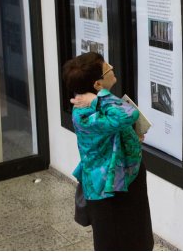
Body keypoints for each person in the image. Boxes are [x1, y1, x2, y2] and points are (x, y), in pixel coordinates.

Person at [62, 52, 154, 251]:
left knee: (137, 237)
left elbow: (115, 127)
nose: (111, 66)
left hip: (126, 178)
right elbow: (128, 114)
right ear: (97, 85)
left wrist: (131, 137)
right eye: (107, 68)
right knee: (114, 241)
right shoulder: (84, 113)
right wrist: (97, 100)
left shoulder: (101, 103)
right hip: (108, 189)